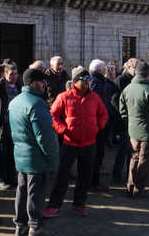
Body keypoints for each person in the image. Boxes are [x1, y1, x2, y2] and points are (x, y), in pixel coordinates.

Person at [44, 67, 108, 217]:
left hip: (89, 143)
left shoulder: (94, 98)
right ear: (75, 81)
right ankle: (54, 205)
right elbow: (53, 115)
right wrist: (63, 130)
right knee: (62, 175)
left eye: (88, 80)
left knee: (85, 176)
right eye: (83, 80)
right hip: (69, 143)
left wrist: (97, 127)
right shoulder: (64, 97)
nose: (87, 83)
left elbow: (103, 114)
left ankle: (79, 204)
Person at [9, 68, 60, 236]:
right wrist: (54, 158)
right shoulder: (37, 104)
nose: (44, 85)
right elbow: (45, 137)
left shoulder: (15, 101)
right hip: (36, 157)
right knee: (36, 193)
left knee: (22, 190)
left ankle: (20, 225)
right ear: (32, 84)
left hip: (21, 154)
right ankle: (35, 227)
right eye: (41, 82)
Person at [119, 61, 149, 197]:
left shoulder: (127, 89)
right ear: (148, 74)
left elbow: (123, 112)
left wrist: (130, 124)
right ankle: (138, 189)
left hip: (133, 131)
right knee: (144, 160)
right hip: (148, 132)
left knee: (134, 158)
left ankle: (130, 186)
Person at [89, 59, 117, 192]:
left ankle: (94, 180)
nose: (106, 70)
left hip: (101, 122)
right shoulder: (95, 81)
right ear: (100, 70)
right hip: (97, 124)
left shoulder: (100, 81)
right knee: (96, 153)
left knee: (99, 153)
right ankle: (93, 182)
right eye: (105, 69)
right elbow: (96, 102)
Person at [0, 63, 20, 190]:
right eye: (11, 74)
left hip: (16, 125)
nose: (14, 77)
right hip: (3, 124)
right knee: (2, 153)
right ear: (5, 74)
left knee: (12, 154)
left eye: (16, 74)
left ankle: (12, 178)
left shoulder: (19, 86)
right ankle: (1, 179)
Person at [111, 58, 137, 183]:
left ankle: (129, 174)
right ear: (129, 67)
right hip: (123, 120)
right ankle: (117, 174)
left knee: (130, 149)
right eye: (135, 68)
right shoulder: (120, 80)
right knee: (123, 148)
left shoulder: (134, 80)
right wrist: (124, 115)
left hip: (132, 119)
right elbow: (114, 100)